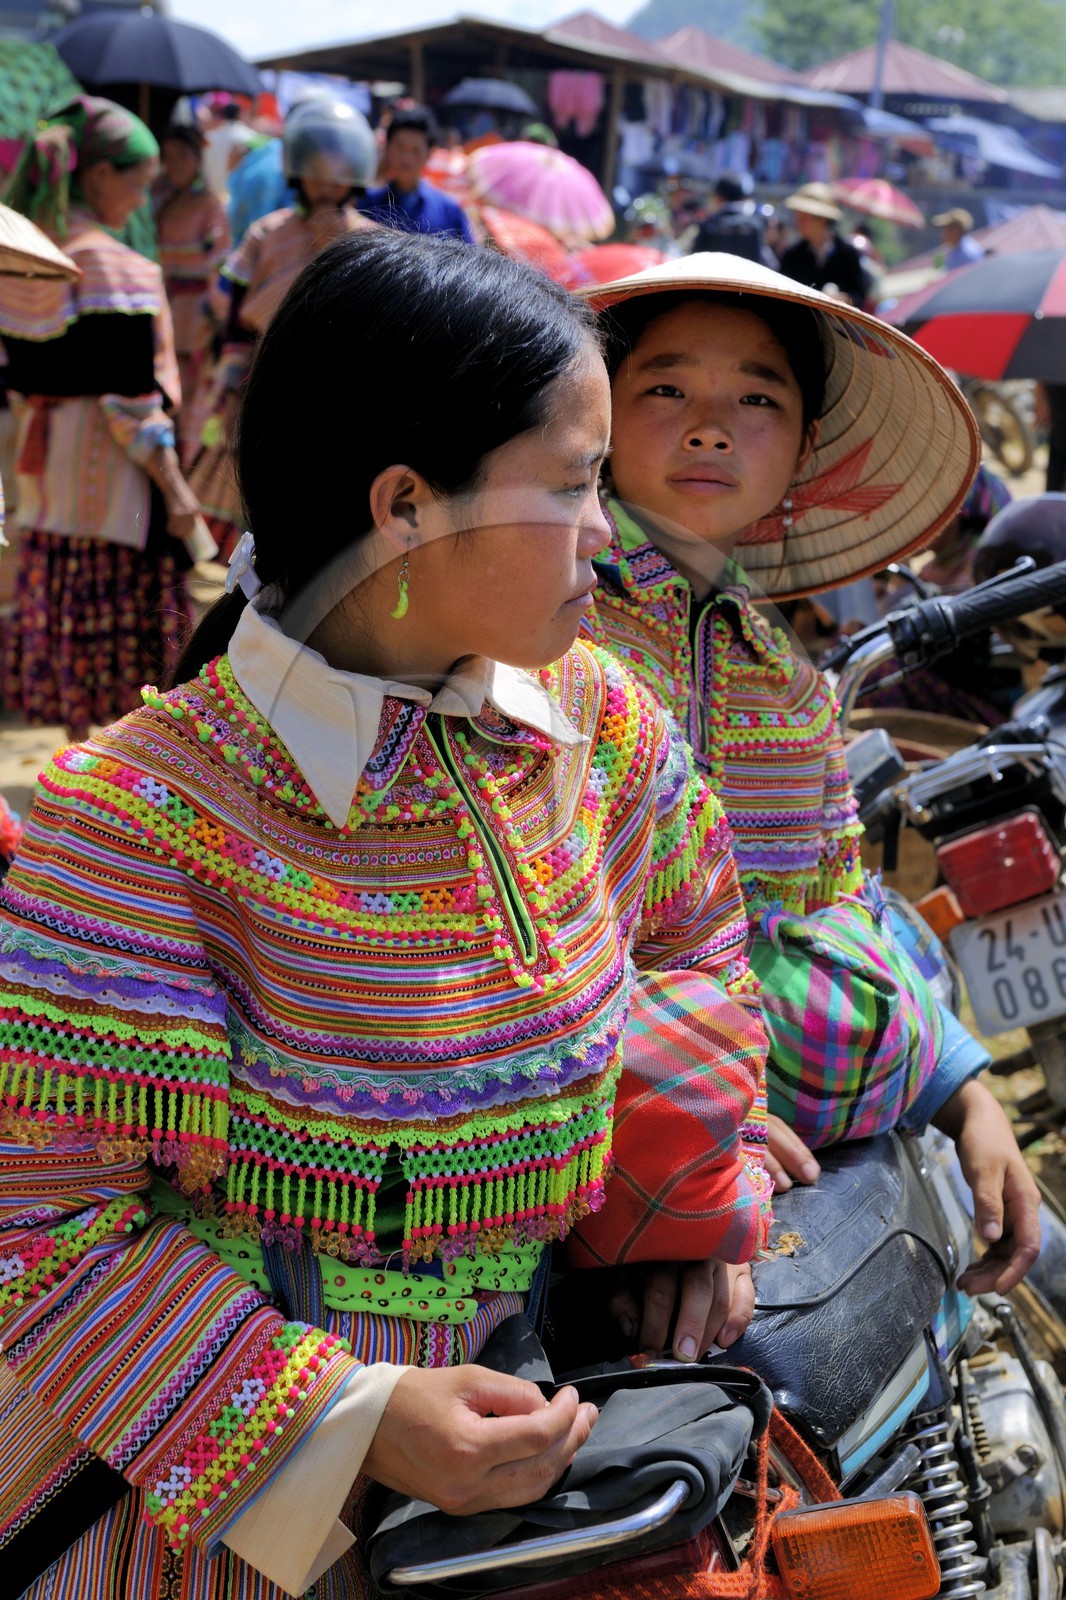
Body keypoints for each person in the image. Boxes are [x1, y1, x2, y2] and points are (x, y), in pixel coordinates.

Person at [0, 230, 771, 1599]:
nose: (609, 532)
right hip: (202, 1522)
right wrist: (345, 1418)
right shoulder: (132, 823)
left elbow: (698, 940)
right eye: (575, 483)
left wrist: (688, 1202)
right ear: (408, 504)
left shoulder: (598, 731)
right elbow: (36, 1230)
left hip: (541, 1488)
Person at [580, 253, 1041, 1292]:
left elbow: (842, 897)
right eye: (665, 387)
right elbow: (559, 952)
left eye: (757, 396)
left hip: (818, 1154)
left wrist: (964, 1090)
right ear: (595, 412)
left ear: (801, 446)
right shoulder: (555, 631)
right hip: (625, 1163)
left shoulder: (782, 672)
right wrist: (688, 1175)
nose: (710, 425)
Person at [0, 96, 208, 739]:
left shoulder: (27, 259)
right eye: (139, 184)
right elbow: (132, 404)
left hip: (48, 489)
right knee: (133, 679)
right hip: (121, 500)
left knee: (74, 662)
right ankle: (121, 796)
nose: (143, 202)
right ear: (98, 176)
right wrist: (178, 494)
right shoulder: (116, 267)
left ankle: (80, 776)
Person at [189, 99, 378, 557]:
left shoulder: (372, 241)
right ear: (297, 171)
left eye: (337, 171)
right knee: (262, 486)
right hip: (268, 378)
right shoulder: (266, 233)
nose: (327, 182)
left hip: (342, 387)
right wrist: (231, 380)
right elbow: (233, 314)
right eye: (316, 170)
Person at [153, 124, 232, 468]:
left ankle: (186, 474)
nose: (174, 164)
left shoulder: (211, 207)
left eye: (181, 156)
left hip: (196, 319)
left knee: (192, 399)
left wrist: (213, 317)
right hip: (164, 308)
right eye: (167, 157)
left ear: (198, 159)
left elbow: (220, 265)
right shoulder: (160, 205)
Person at [359, 106, 476, 243]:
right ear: (388, 148)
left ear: (429, 154)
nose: (407, 158)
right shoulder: (365, 205)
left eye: (416, 150)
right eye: (400, 148)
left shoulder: (450, 211)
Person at [777, 182, 867, 307]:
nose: (798, 223)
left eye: (804, 219)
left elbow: (860, 294)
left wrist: (845, 299)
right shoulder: (792, 256)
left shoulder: (848, 255)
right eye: (798, 218)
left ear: (822, 219)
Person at [692, 174, 774, 267]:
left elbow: (696, 261)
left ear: (719, 197)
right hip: (744, 280)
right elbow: (761, 261)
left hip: (713, 280)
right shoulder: (754, 225)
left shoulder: (709, 225)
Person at [932, 206, 984, 271]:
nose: (943, 233)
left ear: (956, 231)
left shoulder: (966, 254)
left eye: (946, 229)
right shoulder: (954, 249)